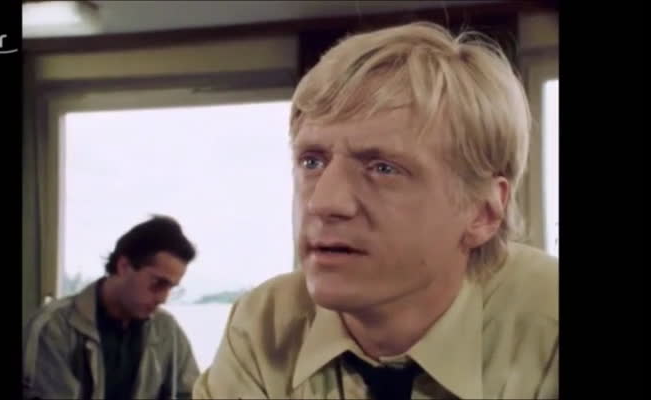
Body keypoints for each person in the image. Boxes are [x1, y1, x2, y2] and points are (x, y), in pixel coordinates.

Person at [193, 21, 558, 399]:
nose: (323, 202)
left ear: (483, 212)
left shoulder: (549, 330)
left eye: (383, 168)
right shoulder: (265, 326)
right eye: (312, 162)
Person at [23, 215, 200, 399]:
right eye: (158, 283)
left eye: (171, 287)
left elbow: (192, 393)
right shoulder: (53, 327)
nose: (163, 298)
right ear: (124, 266)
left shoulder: (167, 329)